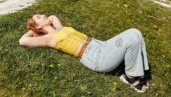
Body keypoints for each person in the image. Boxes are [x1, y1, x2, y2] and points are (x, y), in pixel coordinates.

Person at [19, 14, 150, 93]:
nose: (43, 15)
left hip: (100, 45)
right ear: (38, 26)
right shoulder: (48, 39)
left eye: (41, 14)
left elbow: (53, 16)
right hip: (96, 57)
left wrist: (41, 23)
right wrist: (32, 30)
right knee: (132, 38)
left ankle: (133, 72)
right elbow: (22, 41)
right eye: (39, 17)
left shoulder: (59, 28)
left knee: (135, 32)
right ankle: (130, 77)